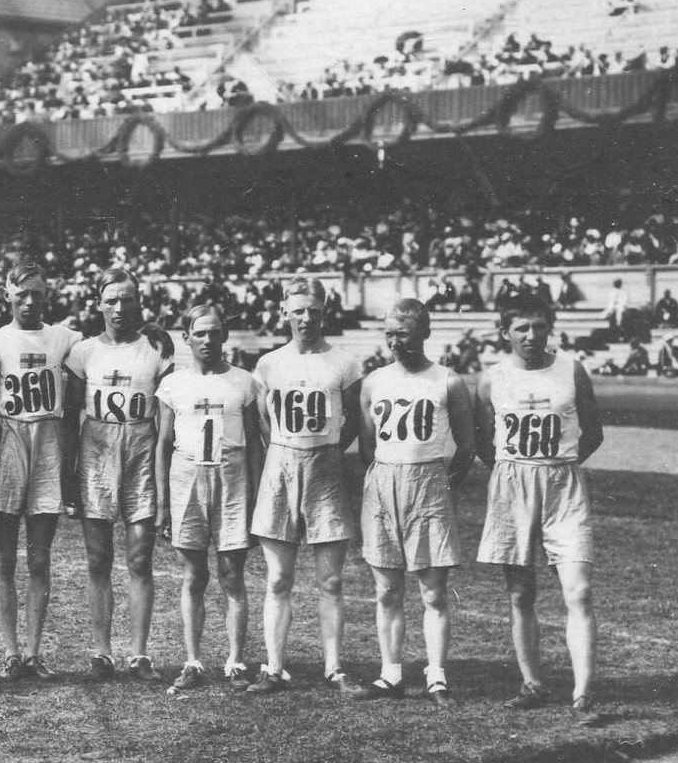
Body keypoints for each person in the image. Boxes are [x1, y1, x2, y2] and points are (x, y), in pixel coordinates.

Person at [474, 291, 605, 726]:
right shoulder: (492, 379)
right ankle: (532, 682)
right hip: (512, 485)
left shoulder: (572, 370)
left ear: (550, 328)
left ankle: (583, 692)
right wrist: (518, 473)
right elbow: (483, 442)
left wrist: (557, 467)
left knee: (579, 590)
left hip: (563, 485)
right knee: (520, 593)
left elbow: (593, 433)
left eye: (539, 327)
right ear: (505, 332)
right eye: (521, 328)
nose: (531, 336)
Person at [247, 277, 369, 698]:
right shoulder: (267, 364)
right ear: (284, 312)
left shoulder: (344, 363)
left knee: (330, 580)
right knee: (278, 578)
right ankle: (274, 667)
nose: (306, 317)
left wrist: (330, 450)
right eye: (298, 310)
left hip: (326, 466)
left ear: (324, 312)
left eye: (313, 310)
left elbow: (354, 417)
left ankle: (334, 668)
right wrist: (282, 450)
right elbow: (262, 420)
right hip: (281, 465)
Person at [357, 300, 475, 706]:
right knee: (386, 589)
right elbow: (367, 445)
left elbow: (467, 447)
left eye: (402, 333)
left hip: (428, 482)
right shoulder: (374, 381)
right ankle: (390, 674)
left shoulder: (447, 381)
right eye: (388, 333)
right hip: (383, 482)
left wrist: (443, 485)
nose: (394, 342)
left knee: (433, 591)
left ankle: (436, 676)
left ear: (424, 332)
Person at [63, 267, 173, 683]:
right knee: (98, 557)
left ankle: (139, 653)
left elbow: (167, 423)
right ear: (99, 304)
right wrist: (70, 474)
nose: (119, 307)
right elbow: (71, 415)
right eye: (111, 299)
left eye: (127, 299)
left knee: (140, 555)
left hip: (141, 446)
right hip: (96, 448)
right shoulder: (84, 351)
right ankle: (101, 651)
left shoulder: (157, 348)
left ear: (139, 301)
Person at [0, 262, 83, 681]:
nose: (31, 301)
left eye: (37, 293)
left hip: (48, 444)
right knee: (4, 558)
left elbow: (109, 345)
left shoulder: (64, 338)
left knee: (39, 557)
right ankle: (10, 651)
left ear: (47, 295)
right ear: (7, 294)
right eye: (22, 294)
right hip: (8, 442)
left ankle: (34, 652)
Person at [153, 305, 264, 691]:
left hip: (231, 476)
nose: (208, 339)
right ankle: (193, 661)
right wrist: (163, 504)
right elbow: (164, 444)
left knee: (233, 574)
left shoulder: (243, 382)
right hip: (187, 475)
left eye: (215, 332)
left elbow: (253, 445)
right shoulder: (173, 384)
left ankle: (235, 661)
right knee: (194, 574)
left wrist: (254, 496)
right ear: (186, 338)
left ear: (224, 336)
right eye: (199, 333)